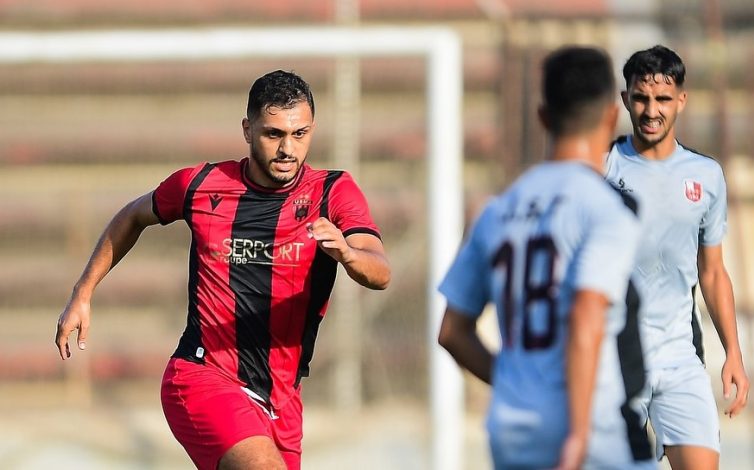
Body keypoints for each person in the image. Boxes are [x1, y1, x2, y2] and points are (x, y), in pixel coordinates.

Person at [55, 70, 391, 470]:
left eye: (299, 134)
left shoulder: (331, 192)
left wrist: (348, 255)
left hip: (281, 400)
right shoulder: (200, 184)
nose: (288, 148)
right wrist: (83, 292)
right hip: (203, 375)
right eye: (274, 134)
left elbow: (380, 271)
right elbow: (132, 216)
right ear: (248, 130)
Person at [438, 46, 655, 469]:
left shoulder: (498, 210)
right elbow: (586, 313)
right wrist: (577, 433)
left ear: (543, 117)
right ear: (612, 116)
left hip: (512, 432)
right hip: (593, 434)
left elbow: (451, 332)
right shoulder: (603, 206)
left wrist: (518, 387)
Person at [606, 45, 750, 469]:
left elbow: (713, 272)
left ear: (681, 100)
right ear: (626, 98)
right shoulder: (602, 167)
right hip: (614, 359)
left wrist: (734, 352)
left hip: (679, 355)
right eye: (641, 98)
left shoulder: (705, 176)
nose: (651, 111)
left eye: (663, 99)